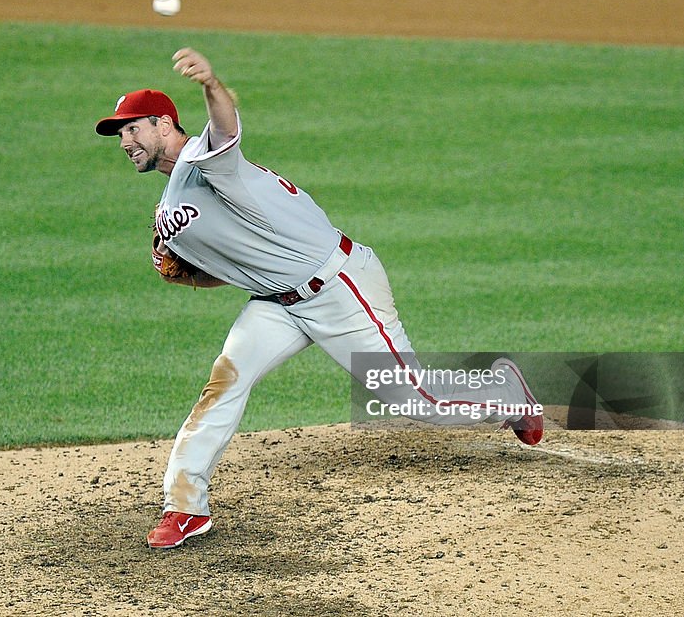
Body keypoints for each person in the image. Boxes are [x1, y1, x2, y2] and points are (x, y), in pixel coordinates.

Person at [95, 48, 543, 550]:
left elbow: (225, 127)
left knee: (416, 400)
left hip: (338, 286)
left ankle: (503, 391)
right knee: (224, 384)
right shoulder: (170, 203)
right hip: (274, 303)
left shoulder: (207, 160)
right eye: (119, 134)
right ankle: (184, 507)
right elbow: (233, 267)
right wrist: (192, 276)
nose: (124, 141)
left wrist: (212, 83)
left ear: (163, 124)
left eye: (132, 128)